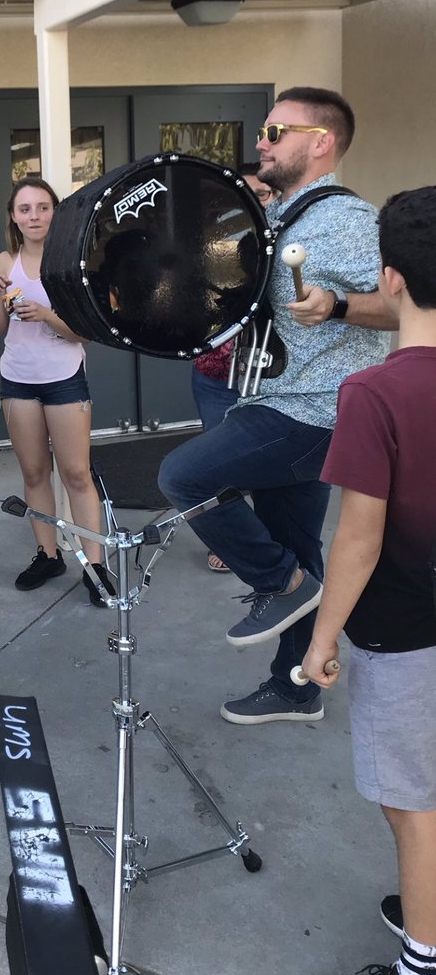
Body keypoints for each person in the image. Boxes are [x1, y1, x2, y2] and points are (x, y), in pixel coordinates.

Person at [158, 87, 394, 725]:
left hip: (317, 409)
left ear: (320, 142)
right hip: (279, 396)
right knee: (298, 542)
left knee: (184, 475)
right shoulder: (285, 215)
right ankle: (296, 688)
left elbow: (401, 304)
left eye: (274, 130)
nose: (261, 140)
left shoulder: (345, 218)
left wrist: (337, 304)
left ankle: (276, 582)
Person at [303, 187, 436, 975]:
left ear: (388, 279)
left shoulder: (375, 392)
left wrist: (321, 638)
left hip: (404, 629)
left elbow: (358, 537)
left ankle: (421, 956)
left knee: (413, 799)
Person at [0, 177, 114, 605]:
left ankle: (95, 566)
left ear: (55, 213)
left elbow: (86, 334)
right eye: (25, 209)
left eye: (42, 207)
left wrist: (45, 314)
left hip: (64, 378)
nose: (34, 216)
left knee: (76, 473)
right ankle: (47, 553)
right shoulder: (6, 261)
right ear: (14, 217)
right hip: (18, 378)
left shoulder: (73, 262)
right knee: (35, 473)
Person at [190, 162, 277, 574]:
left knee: (269, 457)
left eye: (263, 194)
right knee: (220, 458)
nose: (256, 203)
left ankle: (268, 536)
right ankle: (232, 539)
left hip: (271, 374)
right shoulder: (211, 242)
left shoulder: (287, 241)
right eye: (248, 195)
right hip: (217, 374)